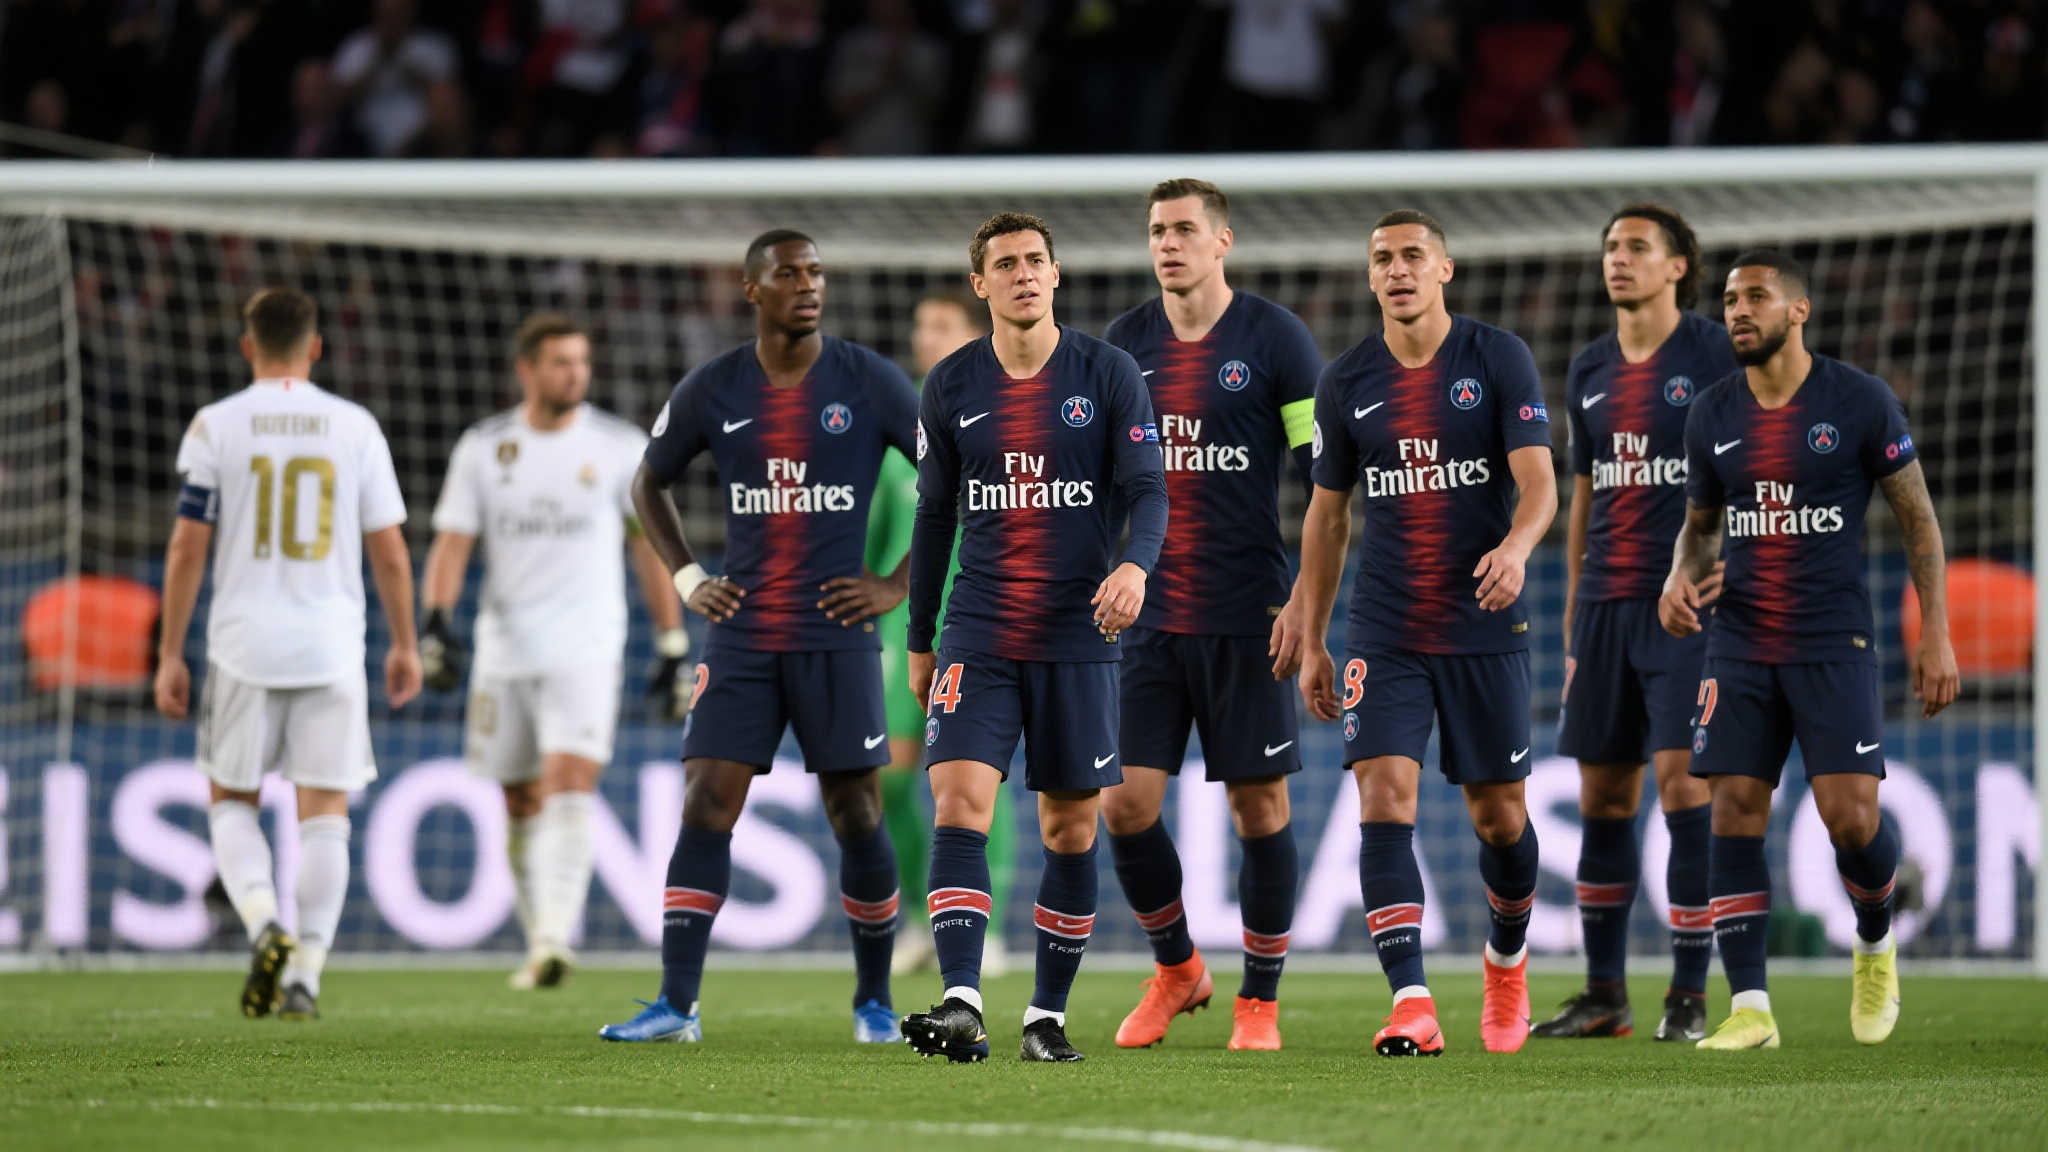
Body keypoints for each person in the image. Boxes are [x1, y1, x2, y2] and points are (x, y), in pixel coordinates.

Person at [599, 231, 918, 1045]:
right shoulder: (715, 387)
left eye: (816, 272)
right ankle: (677, 1005)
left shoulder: (869, 380)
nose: (807, 285)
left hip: (838, 633)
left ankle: (875, 1003)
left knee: (856, 808)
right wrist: (686, 577)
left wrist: (896, 583)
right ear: (752, 290)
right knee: (707, 798)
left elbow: (952, 473)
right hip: (743, 634)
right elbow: (648, 482)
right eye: (788, 274)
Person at [1272, 209, 1557, 1057]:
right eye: (1382, 259)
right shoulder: (1346, 380)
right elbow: (1328, 518)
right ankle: (1412, 1001)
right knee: (1383, 798)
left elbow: (1540, 483)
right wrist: (1313, 634)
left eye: (1412, 256)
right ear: (1370, 277)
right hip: (1387, 626)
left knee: (1499, 818)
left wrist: (1517, 547)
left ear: (1444, 269)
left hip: (1483, 622)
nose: (1397, 269)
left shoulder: (1496, 357)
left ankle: (1506, 961)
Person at [1661, 249, 1958, 1050]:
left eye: (1756, 297)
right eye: (1730, 299)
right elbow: (1700, 529)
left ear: (1799, 311)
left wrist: (1935, 630)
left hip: (1832, 638)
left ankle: (1875, 941)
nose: (1738, 311)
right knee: (1732, 808)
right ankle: (1750, 1007)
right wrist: (1677, 577)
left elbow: (1918, 519)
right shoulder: (1711, 413)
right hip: (1740, 641)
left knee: (1851, 819)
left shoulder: (1858, 400)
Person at [900, 212, 1168, 1063]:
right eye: (1006, 263)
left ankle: (1045, 1017)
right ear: (980, 283)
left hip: (1077, 632)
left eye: (1035, 261)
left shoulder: (1108, 372)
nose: (1022, 274)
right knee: (958, 804)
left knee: (1069, 829)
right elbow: (934, 517)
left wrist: (1136, 567)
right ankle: (962, 1002)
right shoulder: (950, 384)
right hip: (978, 629)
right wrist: (919, 635)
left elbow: (1149, 489)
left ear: (1056, 275)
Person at [154, 288, 421, 1021]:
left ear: (248, 346)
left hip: (243, 644)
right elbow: (390, 552)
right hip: (330, 644)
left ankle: (262, 921)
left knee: (231, 799)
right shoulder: (355, 425)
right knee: (324, 811)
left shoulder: (216, 424)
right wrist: (404, 643)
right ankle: (306, 973)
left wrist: (171, 652)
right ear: (316, 348)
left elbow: (186, 547)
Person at [1099, 178, 1320, 1051]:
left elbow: (1324, 480)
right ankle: (1178, 968)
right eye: (1158, 230)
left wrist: (1308, 599)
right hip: (1148, 618)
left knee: (1258, 811)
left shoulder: (1275, 338)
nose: (1169, 243)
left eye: (1186, 229)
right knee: (1123, 805)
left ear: (1222, 241)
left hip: (1247, 615)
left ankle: (1259, 1002)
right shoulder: (1124, 346)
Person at [419, 313, 686, 991]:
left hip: (587, 644)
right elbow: (453, 542)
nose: (576, 374)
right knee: (519, 797)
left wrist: (671, 640)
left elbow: (648, 547)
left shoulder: (618, 446)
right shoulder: (485, 448)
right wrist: (436, 621)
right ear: (527, 370)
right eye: (561, 363)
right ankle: (539, 934)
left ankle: (553, 938)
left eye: (582, 362)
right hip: (504, 649)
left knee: (571, 780)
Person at [1535, 204, 1738, 1043]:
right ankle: (1603, 995)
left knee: (1685, 787)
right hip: (1606, 611)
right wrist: (1575, 617)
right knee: (1603, 795)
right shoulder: (1589, 366)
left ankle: (1688, 996)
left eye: (1637, 247)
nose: (1618, 259)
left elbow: (1757, 461)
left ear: (1678, 265)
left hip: (1687, 610)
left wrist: (1727, 563)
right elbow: (1584, 496)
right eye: (1611, 247)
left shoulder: (1716, 355)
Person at [867, 292, 1016, 980]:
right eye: (920, 325)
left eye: (942, 326)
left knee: (978, 773)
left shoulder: (1006, 416)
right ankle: (918, 917)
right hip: (904, 633)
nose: (926, 337)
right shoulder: (900, 440)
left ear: (975, 334)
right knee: (891, 780)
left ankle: (990, 923)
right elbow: (874, 549)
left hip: (984, 622)